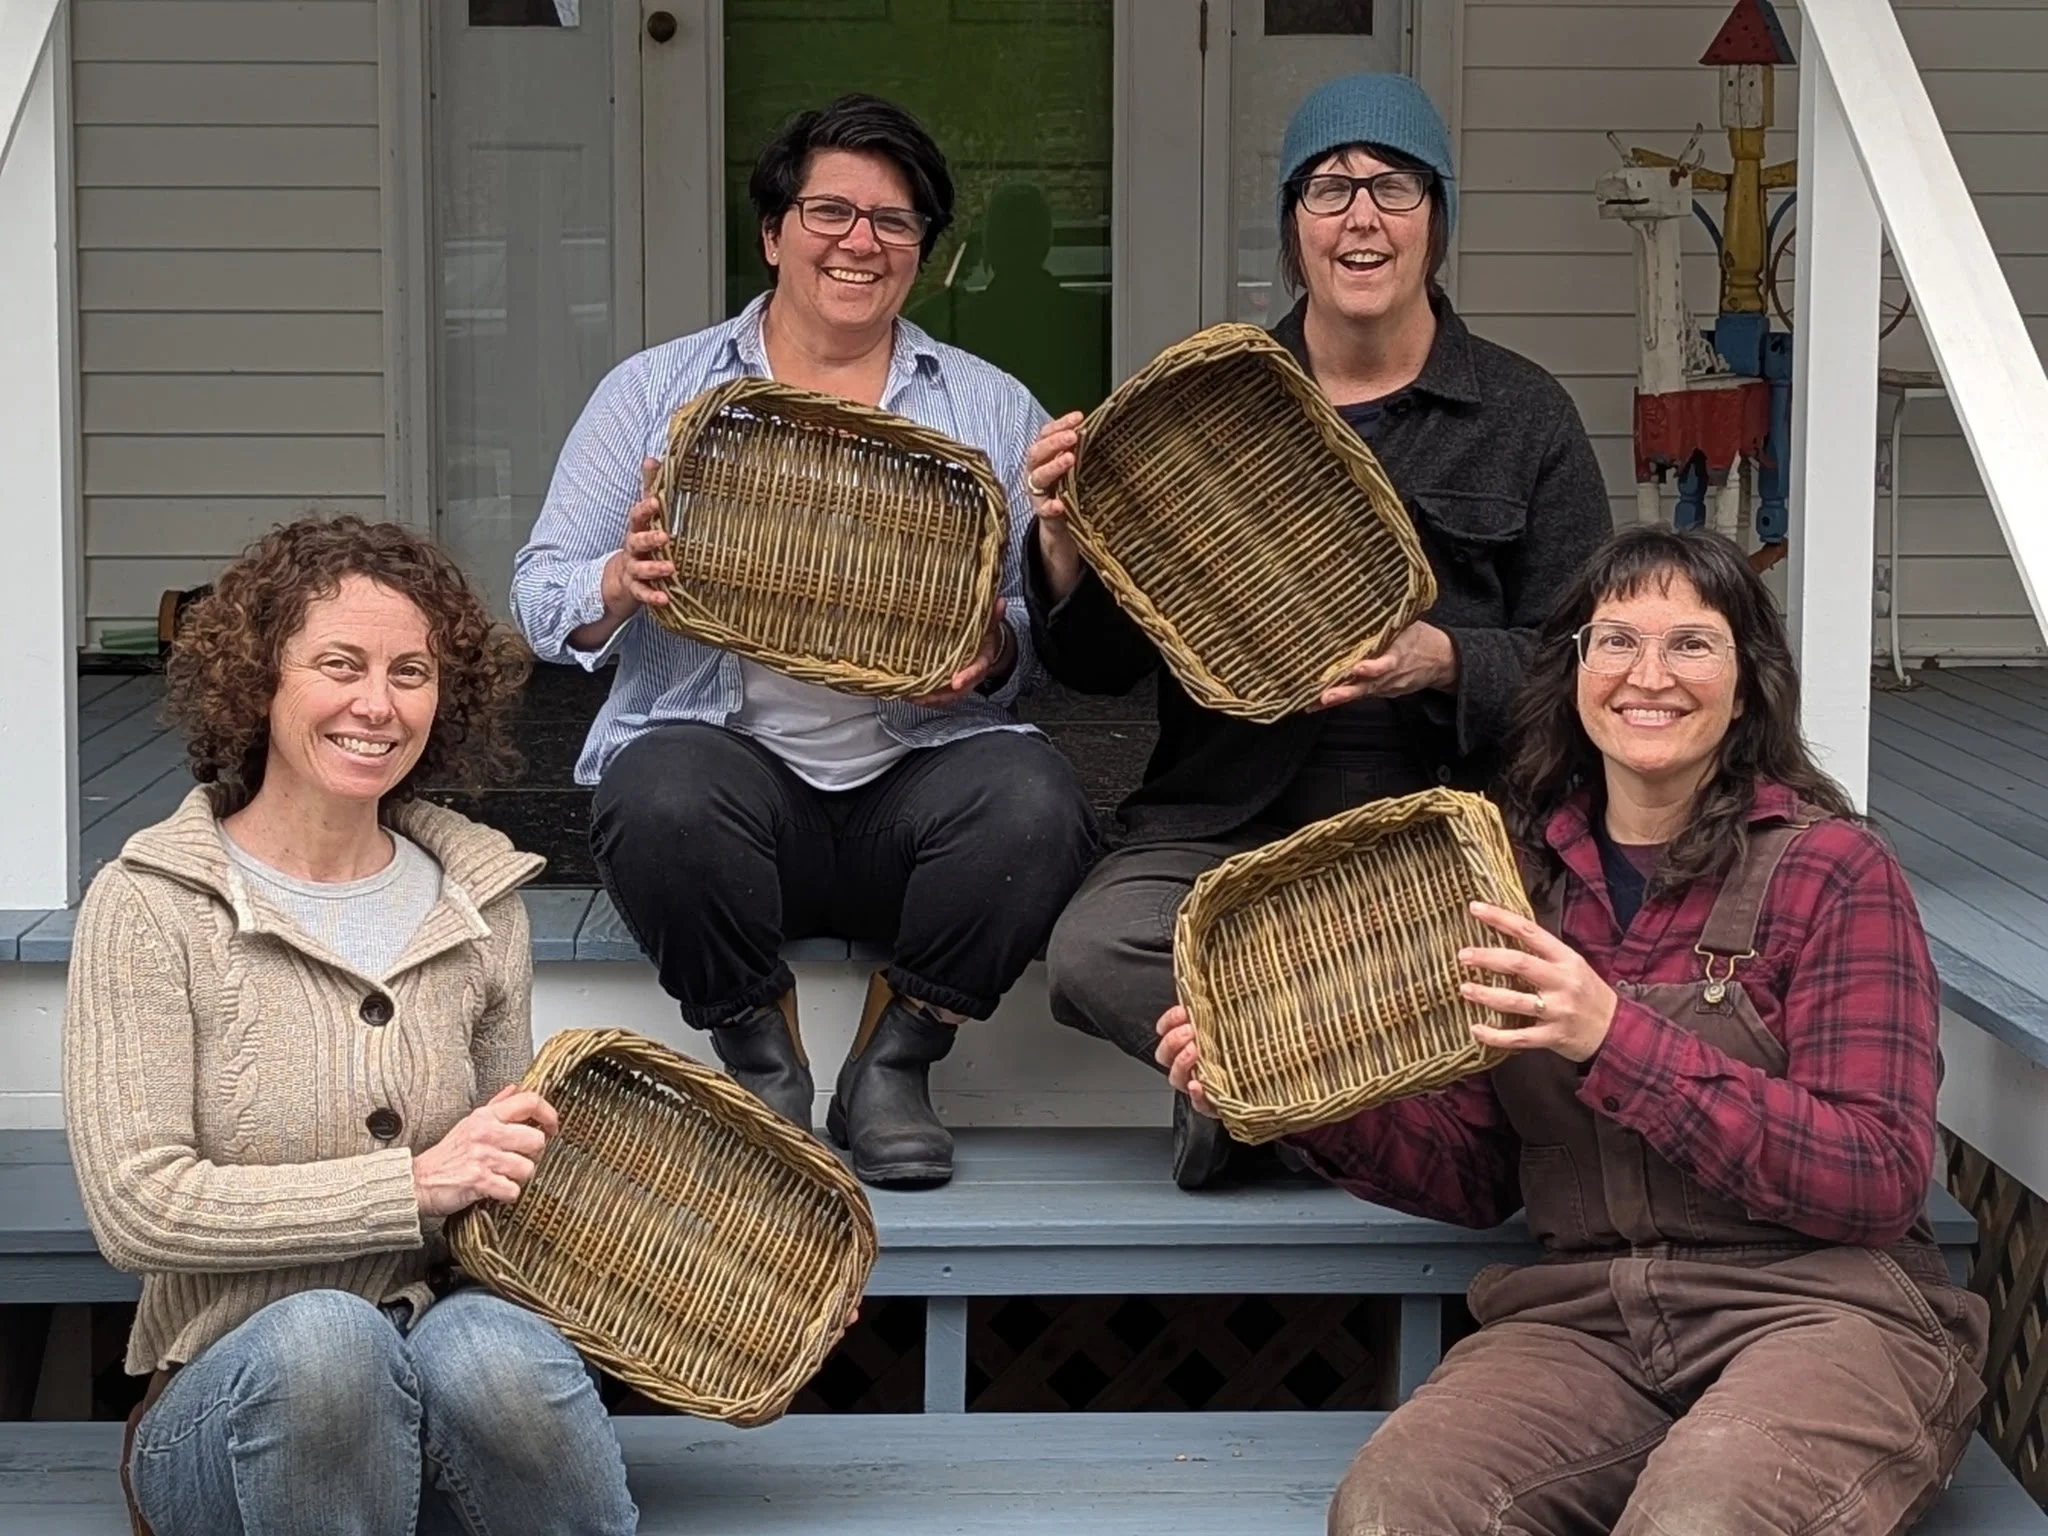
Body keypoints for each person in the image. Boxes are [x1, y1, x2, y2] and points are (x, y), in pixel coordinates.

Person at [1157, 525, 1990, 1534]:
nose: (1649, 675)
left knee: (1700, 1520)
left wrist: (1613, 1036)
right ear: (1574, 675)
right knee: (1397, 1507)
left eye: (1690, 643)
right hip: (1584, 1319)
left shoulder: (1832, 871)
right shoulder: (1513, 882)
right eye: (1615, 641)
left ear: (1746, 683)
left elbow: (1873, 1173)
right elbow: (1473, 1173)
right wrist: (1286, 1103)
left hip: (1825, 1316)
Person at [1026, 72, 1613, 1186]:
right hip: (1224, 819)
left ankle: (1243, 1105)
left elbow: (1586, 652)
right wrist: (1061, 542)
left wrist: (1443, 660)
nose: (1360, 216)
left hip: (1443, 826)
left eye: (1391, 186)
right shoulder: (1209, 405)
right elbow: (1091, 668)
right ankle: (1296, 1099)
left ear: (1435, 219)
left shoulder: (1522, 413)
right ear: (1292, 229)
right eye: (1328, 187)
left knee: (1542, 948)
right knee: (1093, 950)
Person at [512, 93, 1096, 1189]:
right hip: (731, 806)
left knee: (1035, 800)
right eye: (831, 211)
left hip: (914, 799)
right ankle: (758, 1050)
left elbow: (1039, 636)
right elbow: (539, 598)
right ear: (772, 232)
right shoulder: (655, 392)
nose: (860, 242)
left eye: (894, 222)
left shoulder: (986, 408)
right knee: (657, 789)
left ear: (926, 254)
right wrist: (621, 583)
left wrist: (996, 650)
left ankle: (898, 1056)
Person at [64, 517, 636, 1536]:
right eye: (339, 665)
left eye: (411, 672)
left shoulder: (476, 897)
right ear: (258, 682)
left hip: (434, 1377)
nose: (377, 704)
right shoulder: (152, 901)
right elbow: (137, 1209)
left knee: (498, 1356)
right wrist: (409, 1185)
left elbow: (506, 1184)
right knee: (326, 1341)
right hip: (229, 1402)